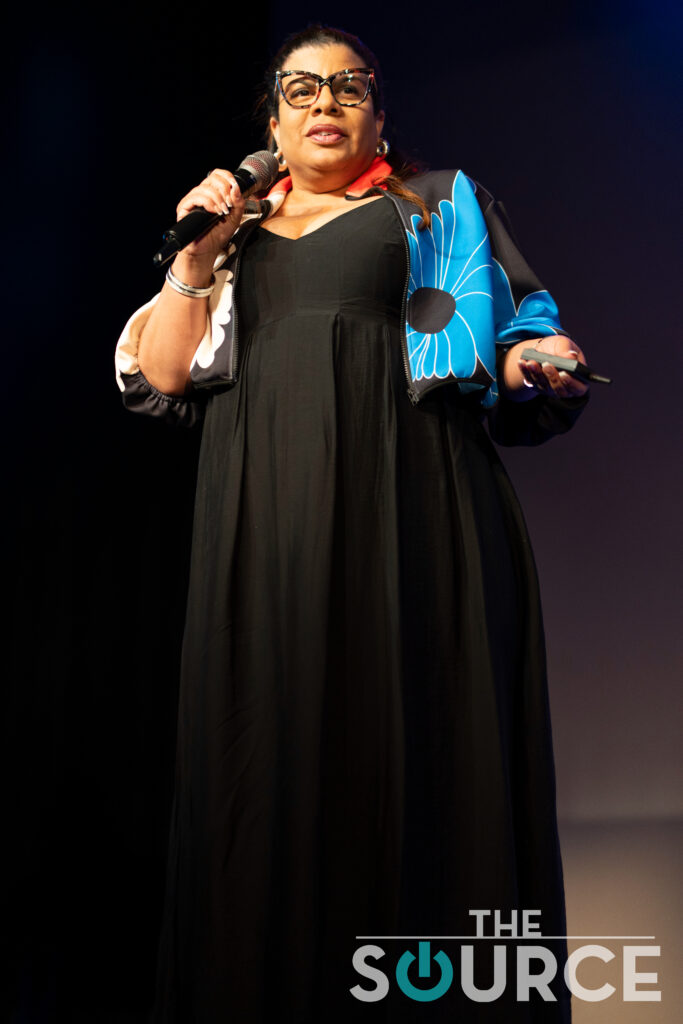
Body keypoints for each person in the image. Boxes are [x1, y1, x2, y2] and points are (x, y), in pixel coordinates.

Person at [116, 24, 589, 1023]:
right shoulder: (232, 234)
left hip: (414, 507)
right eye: (300, 89)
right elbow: (163, 374)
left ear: (378, 114)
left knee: (415, 750)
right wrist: (197, 250)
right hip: (262, 523)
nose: (324, 102)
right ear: (271, 123)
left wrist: (531, 361)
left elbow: (512, 334)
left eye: (347, 87)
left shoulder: (434, 205)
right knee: (269, 761)